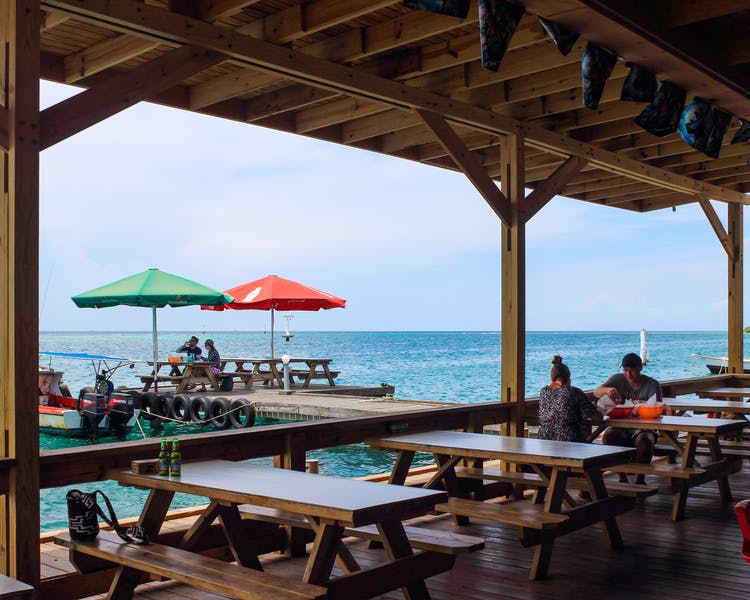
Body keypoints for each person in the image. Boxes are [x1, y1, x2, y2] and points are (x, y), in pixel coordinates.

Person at [594, 352, 662, 484]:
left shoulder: (652, 384)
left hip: (645, 428)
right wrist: (607, 391)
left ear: (640, 368)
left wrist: (641, 406)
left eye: (632, 370)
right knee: (608, 437)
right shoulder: (618, 379)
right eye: (625, 370)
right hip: (621, 427)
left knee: (644, 442)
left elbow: (658, 409)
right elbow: (597, 391)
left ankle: (640, 479)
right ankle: (622, 477)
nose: (628, 374)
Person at [538, 355, 599, 443]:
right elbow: (597, 417)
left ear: (552, 378)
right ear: (568, 377)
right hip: (570, 443)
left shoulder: (544, 392)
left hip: (544, 441)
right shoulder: (573, 392)